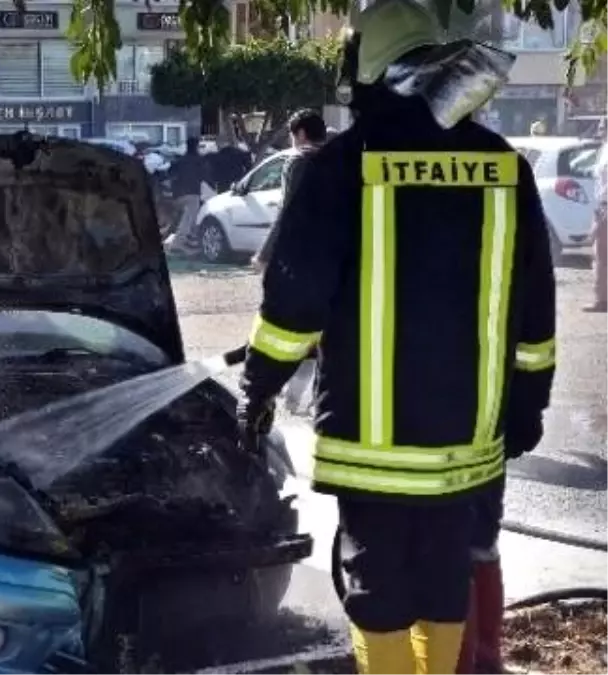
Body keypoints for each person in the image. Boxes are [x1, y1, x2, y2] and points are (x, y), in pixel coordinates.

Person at [236, 2, 556, 674]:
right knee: (445, 584)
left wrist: (259, 385)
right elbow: (535, 311)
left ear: (366, 71)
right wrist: (528, 404)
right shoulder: (504, 166)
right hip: (467, 446)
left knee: (376, 588)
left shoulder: (339, 166)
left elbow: (293, 304)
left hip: (373, 447)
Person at [252, 108, 329, 414]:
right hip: (336, 261)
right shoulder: (340, 159)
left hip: (302, 261)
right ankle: (311, 399)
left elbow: (287, 212)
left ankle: (289, 401)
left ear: (299, 134)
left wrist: (265, 254)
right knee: (324, 334)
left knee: (290, 331)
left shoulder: (298, 161)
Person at [164, 137, 213, 255]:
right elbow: (206, 176)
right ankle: (177, 244)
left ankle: (190, 242)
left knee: (188, 218)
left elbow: (169, 175)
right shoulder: (199, 161)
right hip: (192, 194)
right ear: (196, 146)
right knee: (189, 219)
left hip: (177, 196)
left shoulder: (180, 160)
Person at [588, 122, 608, 312]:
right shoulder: (604, 149)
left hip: (606, 208)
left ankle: (602, 300)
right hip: (602, 207)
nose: (599, 131)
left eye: (602, 127)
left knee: (602, 256)